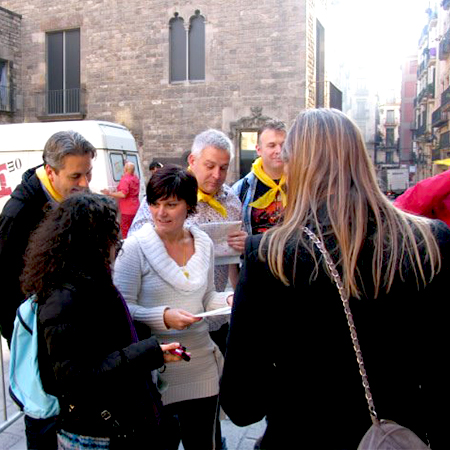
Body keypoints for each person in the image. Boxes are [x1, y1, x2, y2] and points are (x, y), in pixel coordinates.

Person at [220, 108, 450, 449]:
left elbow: (242, 404)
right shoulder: (430, 241)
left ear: (298, 165)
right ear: (360, 158)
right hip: (399, 437)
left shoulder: (270, 255)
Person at [20, 192, 182, 450]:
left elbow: (106, 343)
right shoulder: (64, 297)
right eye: (112, 234)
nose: (117, 243)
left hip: (113, 423)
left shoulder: (89, 280)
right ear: (91, 241)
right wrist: (148, 352)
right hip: (95, 433)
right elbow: (77, 377)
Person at [113, 165, 233, 450]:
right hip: (158, 366)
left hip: (201, 362)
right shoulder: (134, 248)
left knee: (204, 443)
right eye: (154, 204)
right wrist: (162, 317)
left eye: (171, 204)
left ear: (189, 207)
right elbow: (121, 310)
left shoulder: (202, 242)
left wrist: (226, 300)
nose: (160, 213)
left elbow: (205, 298)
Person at [233, 120, 287, 235]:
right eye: (271, 145)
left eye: (283, 145)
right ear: (258, 150)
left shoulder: (302, 185)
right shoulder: (240, 190)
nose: (279, 151)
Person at [101, 161, 140, 238]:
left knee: (125, 230)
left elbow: (123, 194)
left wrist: (109, 193)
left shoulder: (125, 179)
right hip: (136, 207)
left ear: (125, 169)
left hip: (127, 209)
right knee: (135, 229)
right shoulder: (135, 178)